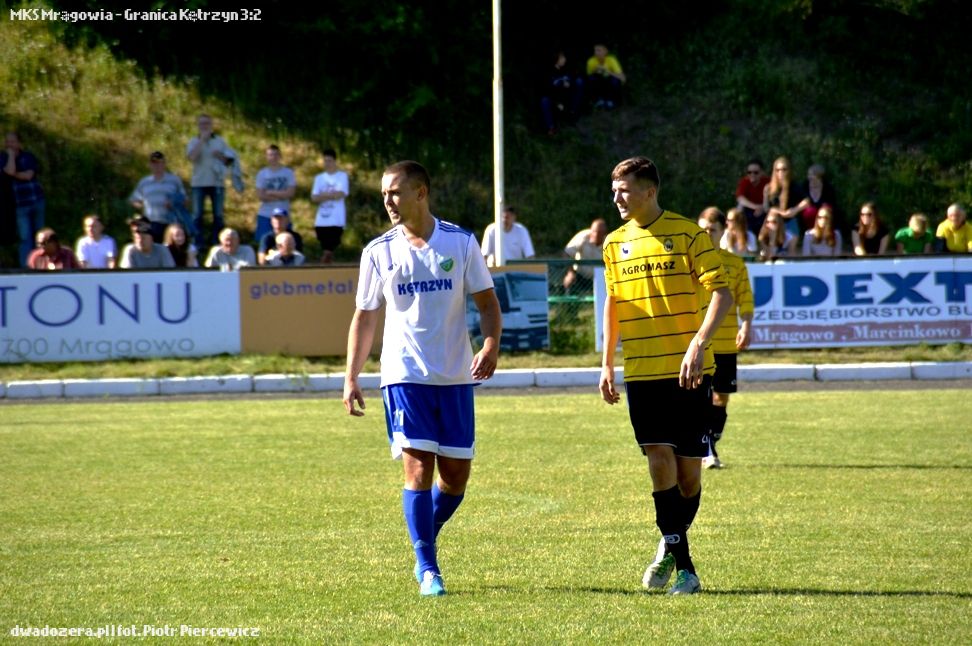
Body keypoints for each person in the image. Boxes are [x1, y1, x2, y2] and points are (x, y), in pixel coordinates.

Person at [343, 160, 501, 597]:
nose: (388, 202)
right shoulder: (378, 252)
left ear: (421, 192)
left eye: (395, 192)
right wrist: (351, 376)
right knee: (418, 469)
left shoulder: (460, 242)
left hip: (455, 375)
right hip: (404, 374)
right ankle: (428, 568)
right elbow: (365, 316)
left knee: (456, 478)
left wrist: (490, 345)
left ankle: (423, 535)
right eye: (384, 195)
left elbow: (488, 303)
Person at [599, 157, 733, 596]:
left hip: (689, 373)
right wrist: (606, 363)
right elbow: (614, 303)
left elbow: (722, 294)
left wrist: (698, 343)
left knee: (688, 478)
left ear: (650, 190)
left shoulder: (689, 235)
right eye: (614, 191)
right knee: (659, 460)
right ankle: (687, 569)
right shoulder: (614, 243)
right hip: (643, 372)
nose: (617, 198)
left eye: (624, 190)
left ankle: (669, 543)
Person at [697, 208, 753, 469]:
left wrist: (747, 325)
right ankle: (707, 449)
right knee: (700, 398)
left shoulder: (735, 263)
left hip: (726, 343)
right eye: (703, 229)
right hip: (699, 345)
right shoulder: (690, 262)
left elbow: (745, 297)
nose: (708, 234)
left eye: (712, 229)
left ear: (723, 231)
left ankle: (709, 443)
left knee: (721, 398)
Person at [186, 114, 240, 249]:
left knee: (218, 215)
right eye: (202, 124)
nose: (205, 126)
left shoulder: (220, 141)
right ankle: (198, 243)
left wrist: (220, 155)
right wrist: (202, 141)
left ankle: (218, 243)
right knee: (197, 215)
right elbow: (191, 157)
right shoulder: (193, 141)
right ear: (198, 126)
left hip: (217, 183)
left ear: (211, 125)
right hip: (199, 183)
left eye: (207, 123)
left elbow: (229, 161)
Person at [1, 132, 45, 267]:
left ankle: (40, 264)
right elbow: (9, 171)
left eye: (12, 141)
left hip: (37, 201)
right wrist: (11, 157)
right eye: (7, 141)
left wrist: (13, 173)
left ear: (19, 143)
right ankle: (26, 267)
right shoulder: (2, 158)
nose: (9, 144)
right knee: (25, 238)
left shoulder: (28, 156)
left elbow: (28, 175)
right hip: (20, 205)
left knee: (40, 235)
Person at [129, 151, 188, 242]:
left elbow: (185, 200)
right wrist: (142, 205)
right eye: (154, 163)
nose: (157, 166)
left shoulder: (174, 180)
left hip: (170, 223)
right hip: (151, 223)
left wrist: (174, 203)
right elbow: (133, 200)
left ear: (164, 164)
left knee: (168, 248)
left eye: (160, 162)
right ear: (150, 165)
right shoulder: (144, 182)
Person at [310, 148, 350, 264]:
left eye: (329, 161)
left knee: (330, 250)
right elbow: (314, 197)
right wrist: (331, 195)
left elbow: (341, 194)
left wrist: (323, 195)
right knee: (326, 250)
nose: (327, 163)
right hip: (321, 221)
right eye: (325, 161)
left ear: (335, 161)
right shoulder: (319, 178)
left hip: (336, 220)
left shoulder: (342, 176)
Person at [254, 144, 297, 243]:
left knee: (285, 242)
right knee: (264, 242)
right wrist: (282, 195)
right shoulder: (262, 174)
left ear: (280, 156)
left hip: (284, 214)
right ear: (266, 157)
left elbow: (290, 193)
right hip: (265, 214)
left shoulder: (288, 173)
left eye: (276, 154)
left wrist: (270, 192)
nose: (273, 157)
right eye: (270, 155)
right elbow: (261, 195)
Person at [540, 50, 584, 135]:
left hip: (567, 99)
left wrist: (569, 84)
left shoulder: (567, 69)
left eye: (564, 57)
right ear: (556, 59)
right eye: (562, 58)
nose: (564, 59)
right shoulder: (549, 73)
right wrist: (557, 102)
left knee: (579, 81)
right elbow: (547, 91)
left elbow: (574, 80)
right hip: (556, 101)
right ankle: (551, 127)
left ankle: (572, 114)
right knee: (544, 100)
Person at [793, 164, 840, 235]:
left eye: (811, 175)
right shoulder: (804, 186)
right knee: (809, 211)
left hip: (824, 215)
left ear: (819, 177)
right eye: (808, 175)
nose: (809, 177)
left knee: (826, 210)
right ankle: (810, 233)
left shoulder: (828, 188)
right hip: (809, 218)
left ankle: (825, 233)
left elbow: (832, 205)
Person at [562, 218, 607, 291]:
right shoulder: (582, 237)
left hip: (600, 279)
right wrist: (570, 273)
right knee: (569, 281)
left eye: (599, 233)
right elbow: (567, 253)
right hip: (579, 276)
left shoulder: (608, 243)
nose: (596, 235)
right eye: (594, 231)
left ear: (604, 234)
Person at [763, 156, 802, 240]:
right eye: (778, 170)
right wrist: (780, 212)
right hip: (773, 221)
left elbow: (806, 201)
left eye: (784, 169)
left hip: (789, 221)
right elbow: (766, 208)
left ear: (788, 170)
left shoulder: (794, 186)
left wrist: (795, 210)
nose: (781, 172)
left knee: (792, 239)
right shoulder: (769, 188)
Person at [586, 44, 625, 109]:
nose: (596, 53)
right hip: (600, 83)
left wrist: (608, 71)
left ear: (605, 51)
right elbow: (589, 79)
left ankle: (613, 101)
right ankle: (598, 100)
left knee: (615, 80)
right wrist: (595, 70)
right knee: (592, 78)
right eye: (595, 50)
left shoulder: (611, 60)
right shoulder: (591, 61)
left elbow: (623, 78)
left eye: (599, 50)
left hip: (610, 82)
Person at [734, 158, 769, 234]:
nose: (752, 175)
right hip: (749, 209)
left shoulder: (768, 182)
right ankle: (737, 232)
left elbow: (771, 200)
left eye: (756, 172)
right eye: (749, 172)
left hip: (764, 209)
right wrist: (756, 207)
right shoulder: (744, 182)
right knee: (739, 207)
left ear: (762, 172)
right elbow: (740, 198)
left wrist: (762, 208)